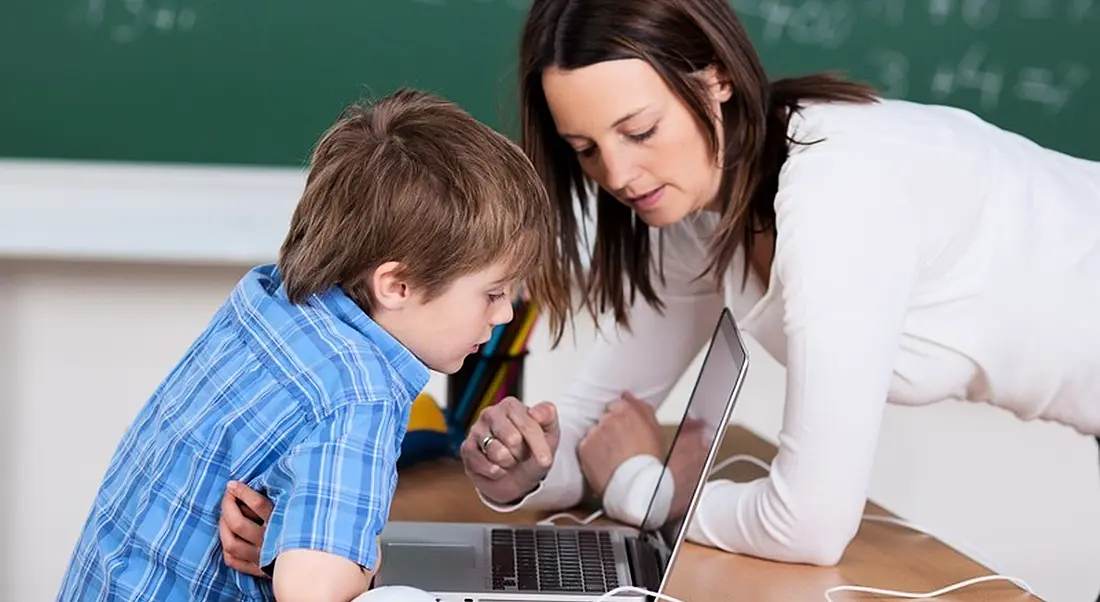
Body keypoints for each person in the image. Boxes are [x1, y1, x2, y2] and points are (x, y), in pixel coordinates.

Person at [219, 0, 1100, 576]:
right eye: (587, 150)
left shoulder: (840, 194)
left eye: (639, 129)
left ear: (714, 78)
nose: (621, 174)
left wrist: (638, 486)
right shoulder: (696, 213)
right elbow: (598, 423)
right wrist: (523, 468)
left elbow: (809, 524)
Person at [55, 87, 567, 602]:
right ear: (397, 285)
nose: (504, 314)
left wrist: (291, 544)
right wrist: (367, 562)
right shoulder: (359, 392)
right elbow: (317, 595)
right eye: (494, 293)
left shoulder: (267, 303)